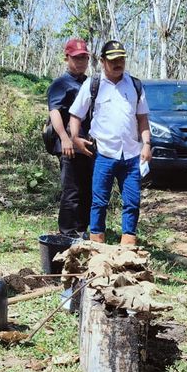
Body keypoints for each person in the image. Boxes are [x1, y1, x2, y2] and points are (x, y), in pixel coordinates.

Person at [69, 40, 151, 246]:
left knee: (132, 202)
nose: (118, 64)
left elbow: (142, 118)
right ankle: (97, 245)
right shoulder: (93, 84)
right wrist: (75, 138)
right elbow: (75, 115)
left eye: (121, 59)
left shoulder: (135, 85)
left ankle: (128, 247)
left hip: (131, 155)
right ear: (102, 61)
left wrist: (147, 144)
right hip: (104, 154)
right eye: (113, 60)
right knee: (99, 202)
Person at [46, 37, 93, 238]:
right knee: (71, 190)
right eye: (76, 58)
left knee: (87, 190)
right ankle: (67, 232)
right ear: (67, 58)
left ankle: (82, 229)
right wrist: (64, 138)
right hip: (69, 146)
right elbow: (54, 112)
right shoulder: (60, 84)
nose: (80, 62)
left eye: (84, 58)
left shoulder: (90, 83)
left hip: (88, 144)